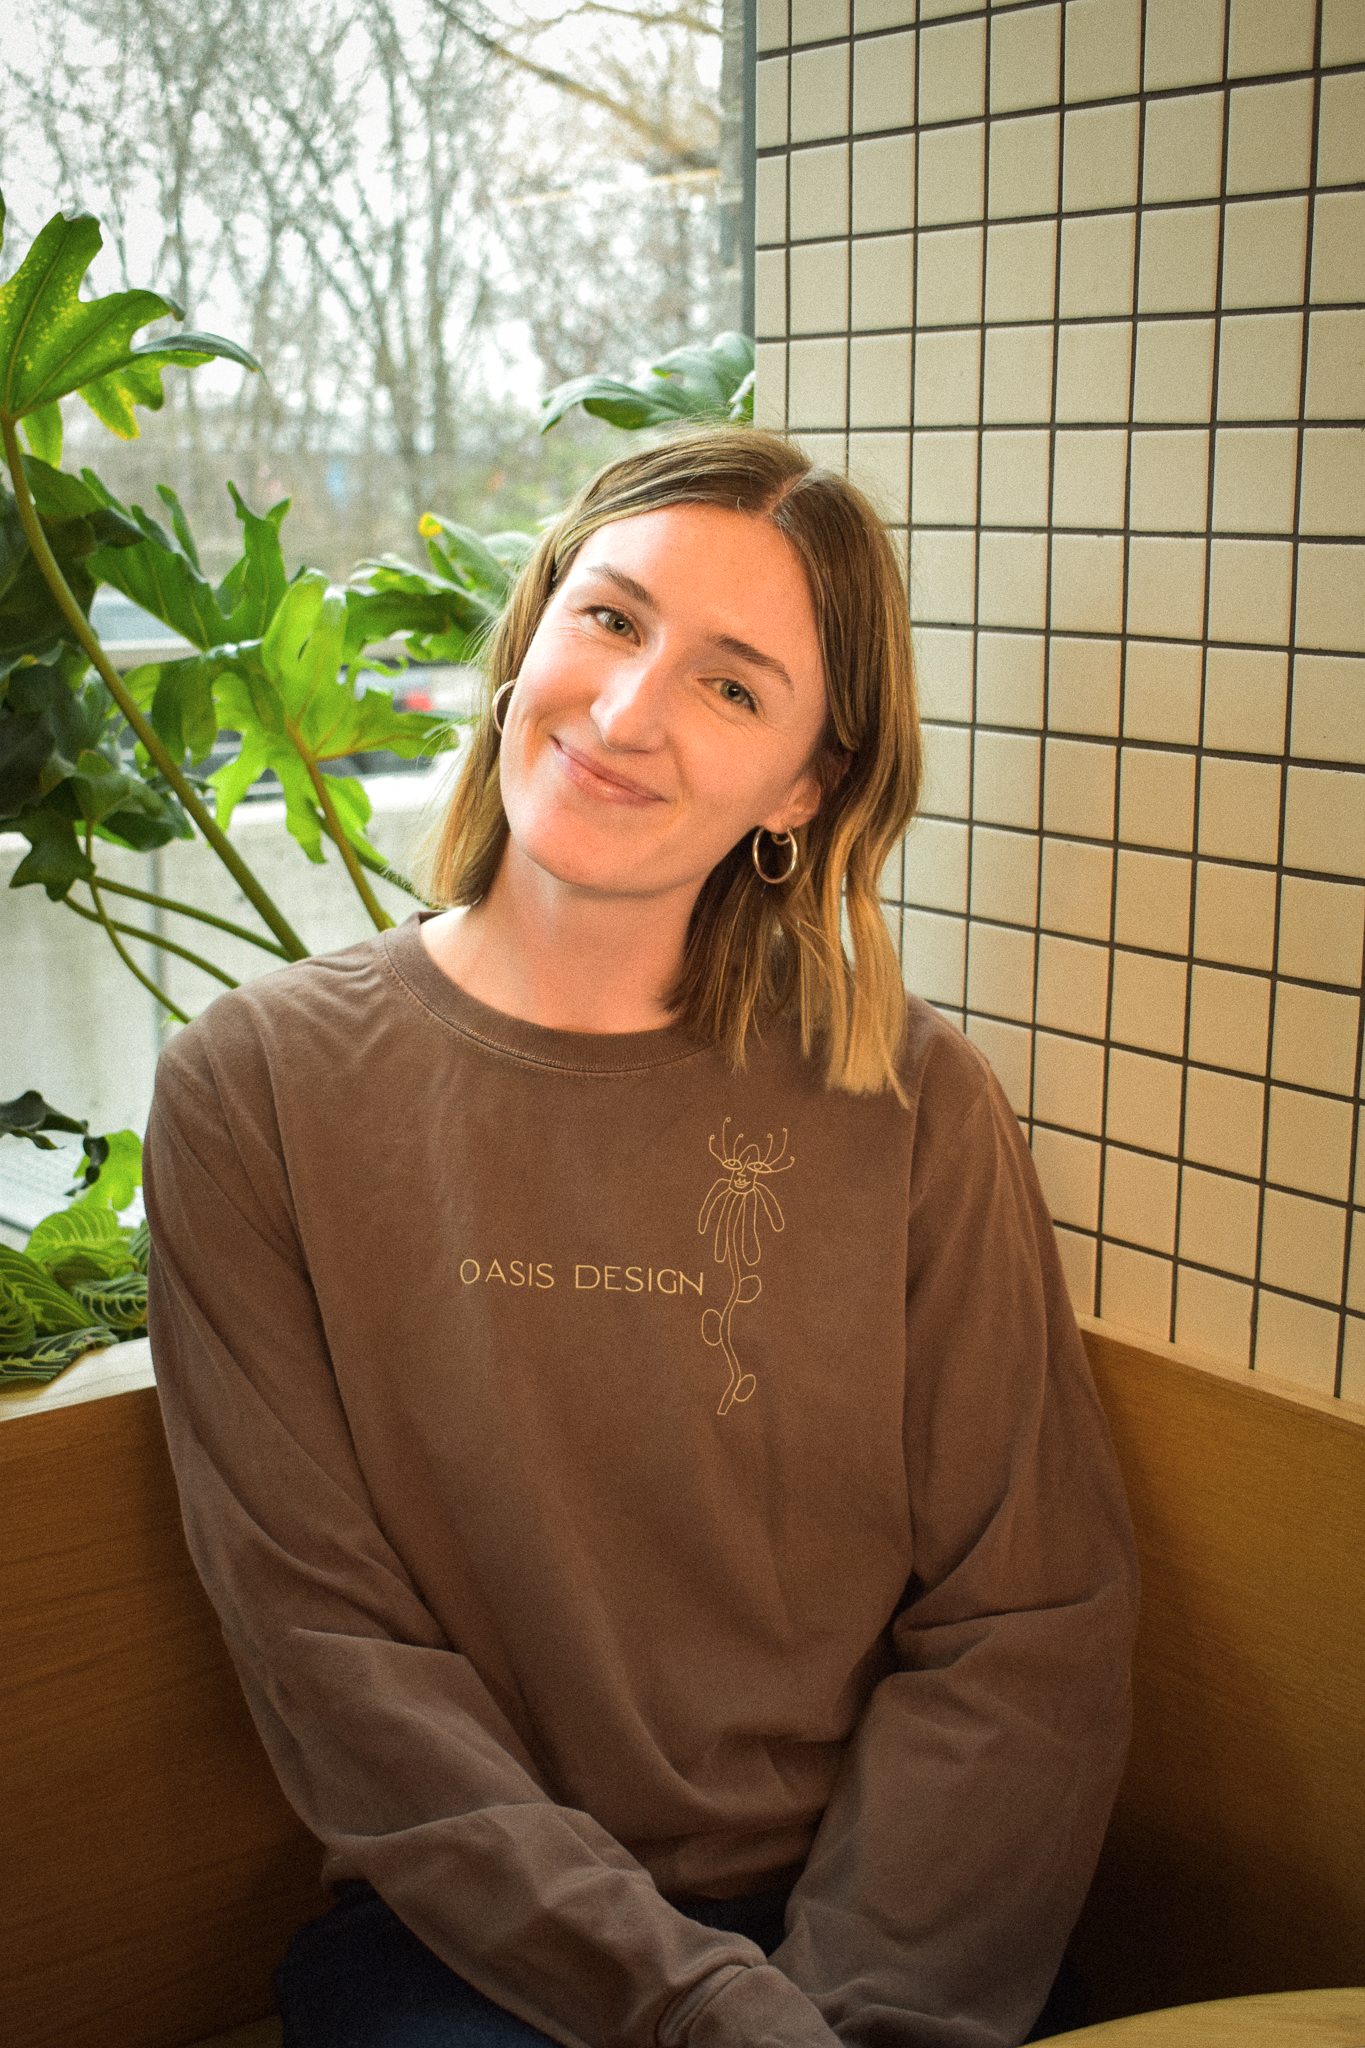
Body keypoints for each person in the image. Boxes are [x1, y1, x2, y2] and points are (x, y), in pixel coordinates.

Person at [144, 427, 1138, 2048]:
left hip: (880, 1939)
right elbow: (334, 1655)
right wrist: (696, 2016)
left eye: (734, 688)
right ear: (533, 628)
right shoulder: (252, 1089)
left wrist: (856, 2008)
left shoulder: (911, 1099)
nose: (623, 715)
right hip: (476, 1944)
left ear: (806, 789)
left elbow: (1025, 1618)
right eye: (610, 620)